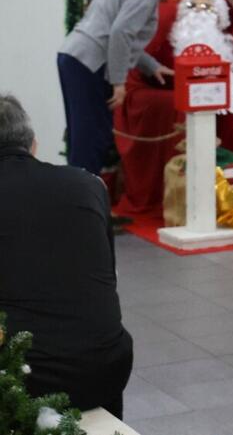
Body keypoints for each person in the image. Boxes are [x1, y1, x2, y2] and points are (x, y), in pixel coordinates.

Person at [0, 94, 132, 417]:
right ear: (33, 144)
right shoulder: (88, 185)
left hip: (20, 377)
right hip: (105, 368)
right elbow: (107, 277)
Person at [112, 0, 233, 217]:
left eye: (207, 6)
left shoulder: (232, 49)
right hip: (198, 111)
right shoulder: (169, 50)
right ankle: (225, 193)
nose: (199, 11)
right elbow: (154, 79)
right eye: (192, 6)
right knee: (222, 117)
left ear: (219, 15)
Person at [58, 0, 188, 175]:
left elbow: (118, 34)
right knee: (91, 138)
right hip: (89, 62)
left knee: (82, 135)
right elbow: (120, 34)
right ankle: (86, 208)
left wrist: (151, 65)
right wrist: (119, 82)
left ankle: (82, 204)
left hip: (76, 56)